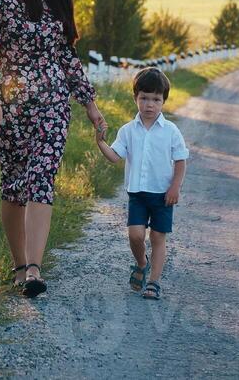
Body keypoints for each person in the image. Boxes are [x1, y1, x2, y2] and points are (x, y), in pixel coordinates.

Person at [0, 0, 107, 298]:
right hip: (9, 105)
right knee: (13, 184)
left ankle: (35, 268)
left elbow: (67, 57)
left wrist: (90, 104)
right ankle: (19, 267)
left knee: (41, 177)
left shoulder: (56, 5)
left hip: (52, 104)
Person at [93, 66, 188, 301]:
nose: (149, 105)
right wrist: (100, 142)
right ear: (135, 98)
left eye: (156, 99)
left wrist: (175, 187)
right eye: (144, 98)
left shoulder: (171, 131)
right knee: (135, 236)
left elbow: (180, 160)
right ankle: (141, 262)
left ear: (163, 101)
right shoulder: (128, 131)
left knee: (158, 237)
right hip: (137, 193)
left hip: (162, 195)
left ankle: (154, 283)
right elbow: (115, 156)